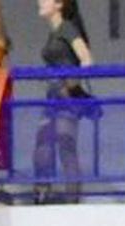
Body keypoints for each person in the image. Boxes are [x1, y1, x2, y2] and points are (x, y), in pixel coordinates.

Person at [34, 0, 94, 204]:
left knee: (65, 144)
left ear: (58, 4)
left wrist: (71, 84)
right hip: (52, 97)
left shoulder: (67, 28)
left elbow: (85, 58)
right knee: (42, 143)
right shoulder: (54, 32)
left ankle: (73, 199)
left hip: (66, 98)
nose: (40, 2)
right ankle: (42, 192)